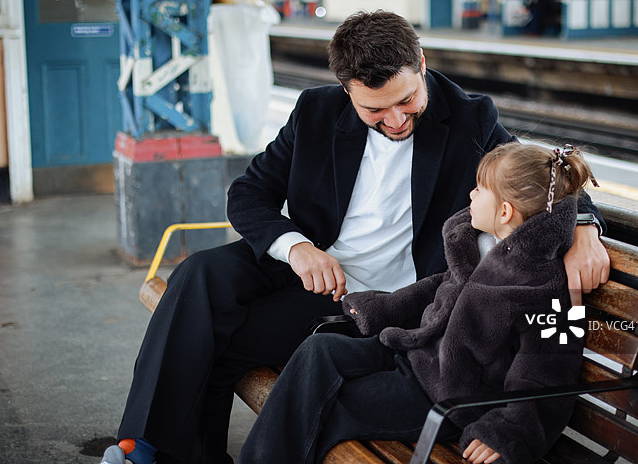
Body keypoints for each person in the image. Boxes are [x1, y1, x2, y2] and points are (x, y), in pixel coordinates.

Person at [100, 10, 609, 464]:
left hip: (379, 303)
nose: (396, 120)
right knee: (199, 272)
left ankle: (160, 453)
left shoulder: (471, 118)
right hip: (310, 271)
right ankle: (144, 449)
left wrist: (584, 228)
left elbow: (545, 178)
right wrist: (297, 248)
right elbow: (249, 193)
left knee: (216, 348)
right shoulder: (315, 112)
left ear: (422, 64)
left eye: (407, 100)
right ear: (348, 91)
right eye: (375, 110)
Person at [237, 142, 594, 464]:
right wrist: (382, 308)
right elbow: (439, 288)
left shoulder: (544, 287)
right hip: (418, 354)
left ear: (504, 212)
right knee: (320, 348)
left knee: (323, 408)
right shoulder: (480, 244)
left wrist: (510, 433)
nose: (470, 193)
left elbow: (548, 371)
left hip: (448, 397)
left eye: (480, 188)